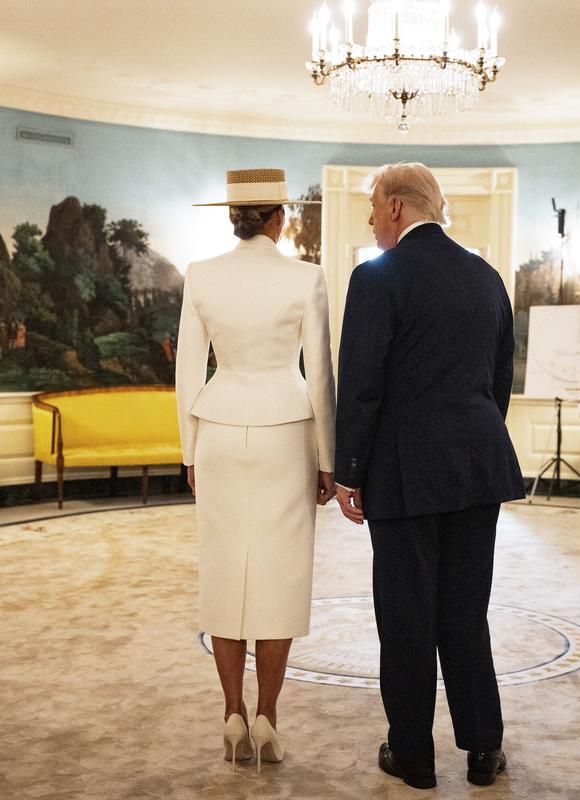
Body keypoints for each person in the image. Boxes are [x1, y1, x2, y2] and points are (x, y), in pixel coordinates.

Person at [333, 162, 524, 790]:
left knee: (408, 617)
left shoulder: (376, 277)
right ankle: (484, 751)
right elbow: (500, 380)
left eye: (371, 208)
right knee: (467, 613)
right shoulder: (487, 276)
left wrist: (347, 471)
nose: (370, 220)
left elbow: (361, 385)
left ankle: (413, 756)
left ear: (393, 208)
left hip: (403, 473)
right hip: (477, 466)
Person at [176, 168, 335, 772]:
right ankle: (268, 713)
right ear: (280, 218)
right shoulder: (306, 277)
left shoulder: (202, 275)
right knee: (278, 572)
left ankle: (231, 711)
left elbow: (188, 370)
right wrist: (328, 459)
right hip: (286, 430)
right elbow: (319, 373)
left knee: (223, 570)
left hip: (217, 427)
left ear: (231, 218)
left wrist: (190, 450)